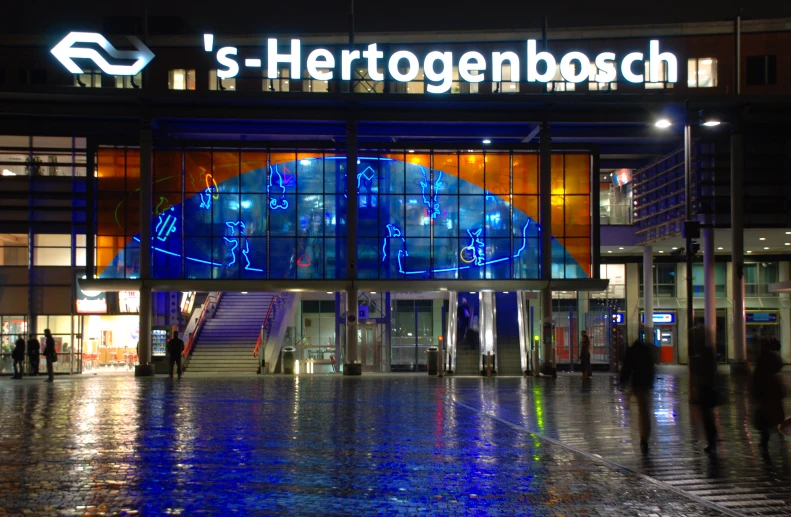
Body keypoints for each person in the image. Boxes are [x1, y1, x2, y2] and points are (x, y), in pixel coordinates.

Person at [620, 338, 655, 453]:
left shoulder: (632, 351)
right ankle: (645, 436)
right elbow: (652, 368)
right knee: (644, 410)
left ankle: (643, 436)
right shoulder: (647, 352)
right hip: (645, 384)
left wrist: (622, 382)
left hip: (636, 383)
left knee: (641, 410)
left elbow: (626, 368)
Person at [752, 339, 785, 449]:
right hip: (771, 390)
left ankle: (765, 437)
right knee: (775, 411)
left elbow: (756, 378)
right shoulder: (772, 358)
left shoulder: (761, 360)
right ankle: (776, 430)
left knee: (765, 415)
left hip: (765, 391)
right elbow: (778, 366)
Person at [698, 344, 719, 453]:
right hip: (711, 392)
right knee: (710, 418)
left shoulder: (704, 368)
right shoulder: (713, 367)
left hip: (706, 392)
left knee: (708, 419)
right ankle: (713, 441)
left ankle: (711, 442)